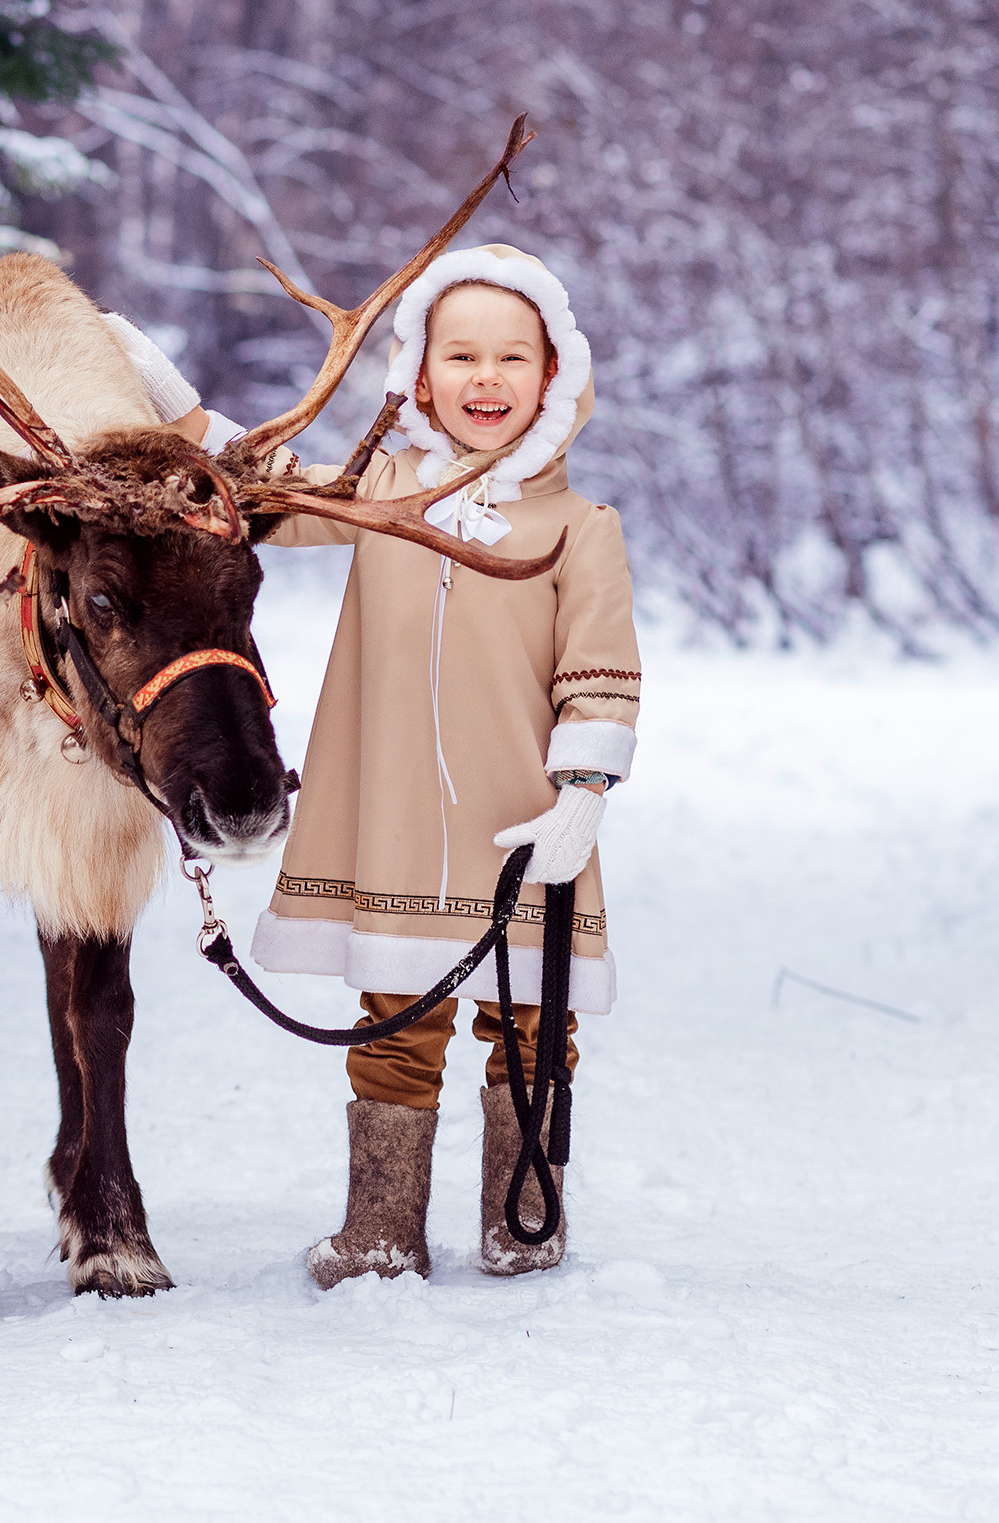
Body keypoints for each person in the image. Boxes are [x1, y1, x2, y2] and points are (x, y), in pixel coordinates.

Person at [108, 245, 639, 1283]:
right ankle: (382, 1225)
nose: (485, 379)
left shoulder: (581, 527)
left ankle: (521, 1214)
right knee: (394, 1021)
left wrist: (581, 789)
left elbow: (601, 668)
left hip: (522, 824)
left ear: (552, 374)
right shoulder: (372, 490)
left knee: (532, 1020)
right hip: (396, 817)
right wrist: (174, 410)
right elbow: (250, 485)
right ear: (421, 375)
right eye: (461, 356)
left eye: (511, 358)